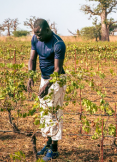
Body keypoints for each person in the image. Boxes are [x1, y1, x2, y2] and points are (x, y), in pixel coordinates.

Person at [27, 19, 66, 161]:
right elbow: (32, 59)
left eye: (40, 34)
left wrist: (47, 85)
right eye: (36, 34)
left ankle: (54, 150)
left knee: (54, 113)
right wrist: (31, 76)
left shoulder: (58, 44)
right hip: (45, 80)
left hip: (56, 80)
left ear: (48, 29)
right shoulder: (35, 39)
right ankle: (48, 144)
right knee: (45, 113)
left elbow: (57, 69)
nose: (38, 37)